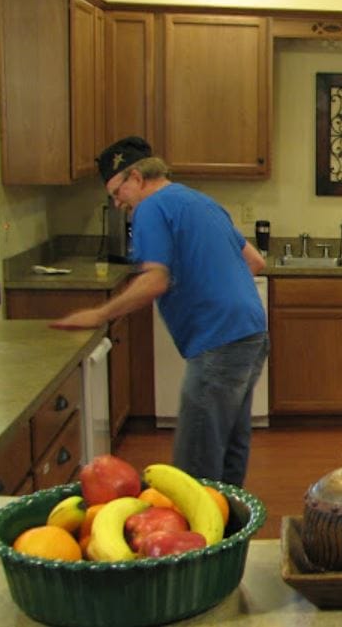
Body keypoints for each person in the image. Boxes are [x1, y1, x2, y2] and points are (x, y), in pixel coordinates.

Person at [51, 136, 268, 487]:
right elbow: (255, 262)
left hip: (217, 341)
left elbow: (155, 280)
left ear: (136, 178)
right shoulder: (201, 201)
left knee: (194, 466)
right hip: (251, 334)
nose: (118, 202)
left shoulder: (150, 208)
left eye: (117, 191)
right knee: (229, 446)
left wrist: (99, 314)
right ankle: (229, 529)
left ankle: (198, 539)